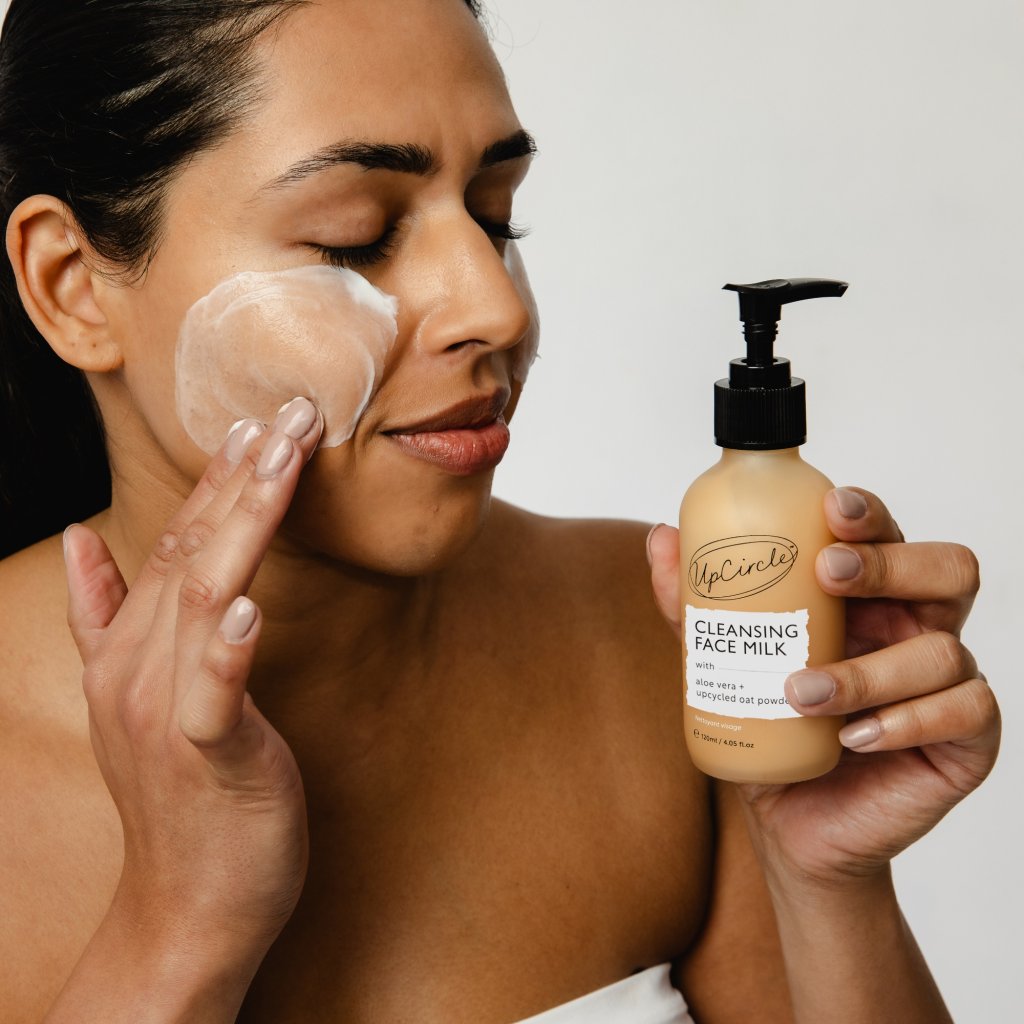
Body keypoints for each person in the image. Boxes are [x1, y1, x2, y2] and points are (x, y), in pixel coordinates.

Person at [0, 1, 999, 1022]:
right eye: (356, 240)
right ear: (73, 286)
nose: (498, 308)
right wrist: (175, 930)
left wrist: (829, 884)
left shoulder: (659, 647)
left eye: (493, 215)